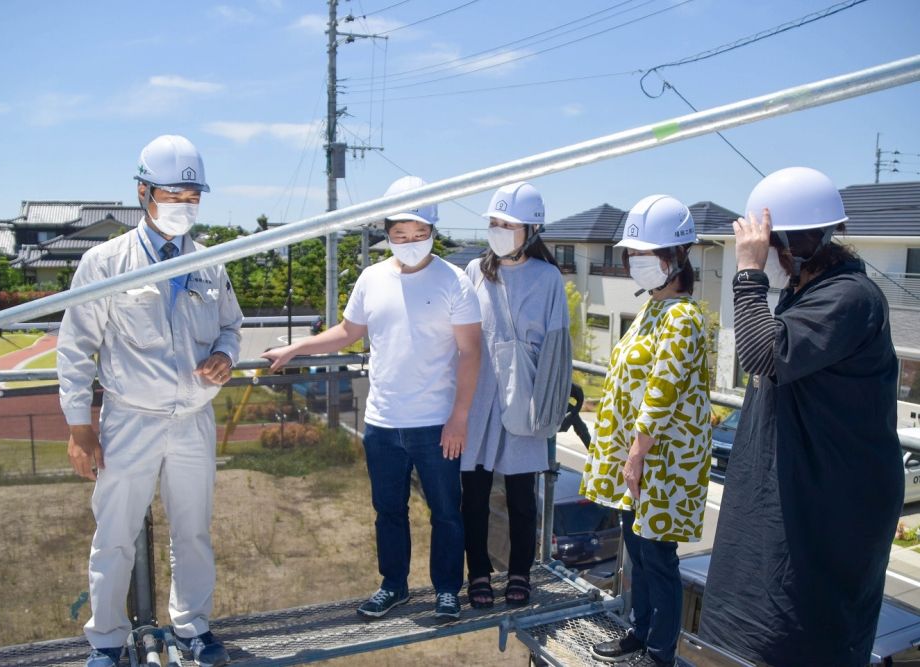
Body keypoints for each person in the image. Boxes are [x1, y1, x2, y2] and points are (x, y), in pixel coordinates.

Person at [698, 167, 904, 666]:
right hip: (803, 488)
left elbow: (763, 353)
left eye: (768, 244)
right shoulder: (810, 291)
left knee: (801, 632)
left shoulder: (848, 297)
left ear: (793, 243)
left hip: (830, 502)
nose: (764, 253)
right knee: (760, 624)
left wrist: (748, 273)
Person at [57, 135, 242, 667]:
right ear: (143, 192)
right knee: (114, 534)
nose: (184, 206)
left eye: (192, 196)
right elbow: (76, 347)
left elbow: (231, 326)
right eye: (173, 194)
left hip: (193, 419)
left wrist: (226, 357)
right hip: (129, 420)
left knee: (193, 532)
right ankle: (108, 641)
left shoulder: (211, 262)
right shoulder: (106, 262)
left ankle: (192, 629)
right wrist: (78, 426)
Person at [262, 175, 482, 621]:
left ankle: (446, 590)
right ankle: (394, 586)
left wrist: (459, 417)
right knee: (388, 511)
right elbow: (347, 333)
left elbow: (470, 351)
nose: (410, 242)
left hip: (435, 422)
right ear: (387, 234)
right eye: (400, 235)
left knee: (445, 512)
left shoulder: (454, 281)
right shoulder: (371, 277)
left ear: (433, 232)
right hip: (381, 421)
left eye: (419, 235)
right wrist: (296, 347)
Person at [583, 195, 712, 666]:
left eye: (648, 255)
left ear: (677, 258)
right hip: (638, 458)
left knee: (659, 559)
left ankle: (659, 651)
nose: (638, 263)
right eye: (633, 255)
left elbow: (662, 391)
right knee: (638, 552)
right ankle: (638, 632)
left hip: (662, 461)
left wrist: (636, 453)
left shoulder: (682, 315)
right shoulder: (652, 309)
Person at [459, 182, 572, 609]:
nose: (498, 230)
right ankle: (479, 576)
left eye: (507, 223)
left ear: (532, 228)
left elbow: (558, 350)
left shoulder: (548, 279)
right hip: (481, 396)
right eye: (493, 222)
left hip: (524, 396)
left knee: (523, 495)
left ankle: (520, 572)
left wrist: (550, 404)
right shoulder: (475, 271)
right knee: (474, 494)